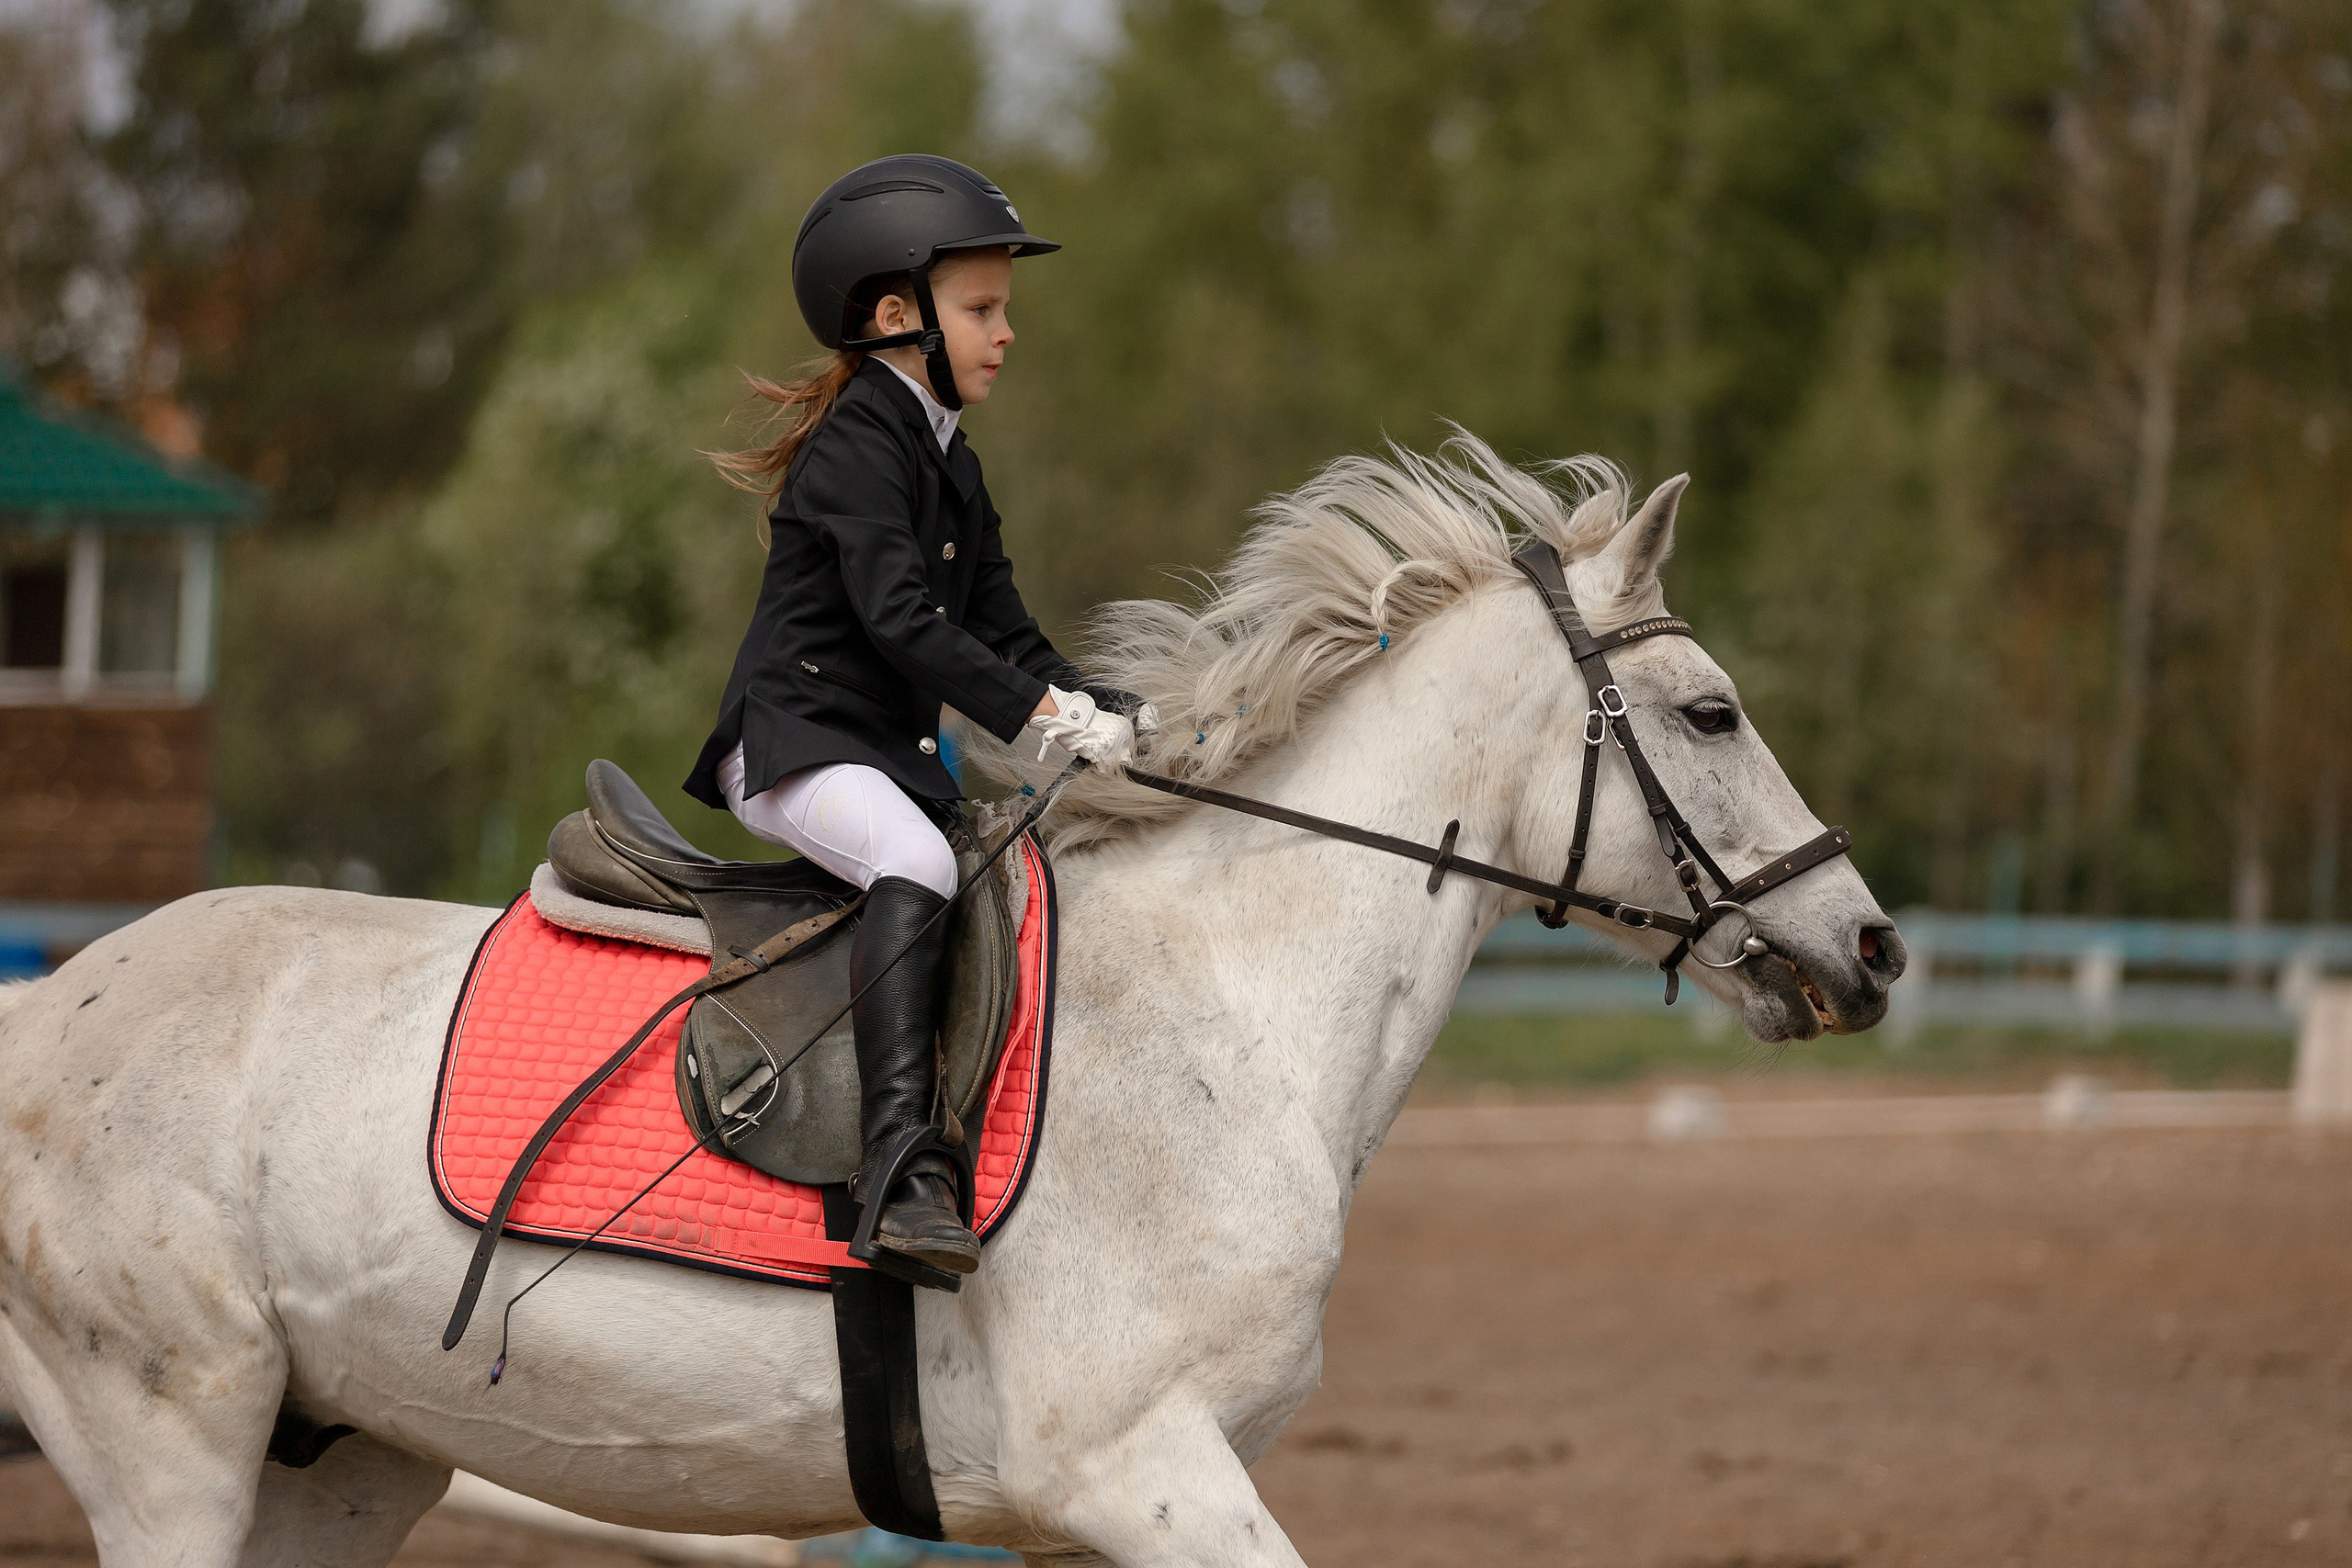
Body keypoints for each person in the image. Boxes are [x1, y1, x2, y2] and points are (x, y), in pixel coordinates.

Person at [687, 155, 1141, 1286]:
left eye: (1003, 310)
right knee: (918, 865)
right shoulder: (857, 445)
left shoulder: (950, 460)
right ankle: (898, 1170)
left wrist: (1114, 709)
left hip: (877, 752)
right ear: (898, 318)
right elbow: (900, 624)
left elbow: (1007, 631)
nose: (1007, 333)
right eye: (983, 310)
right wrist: (1045, 715)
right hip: (793, 743)